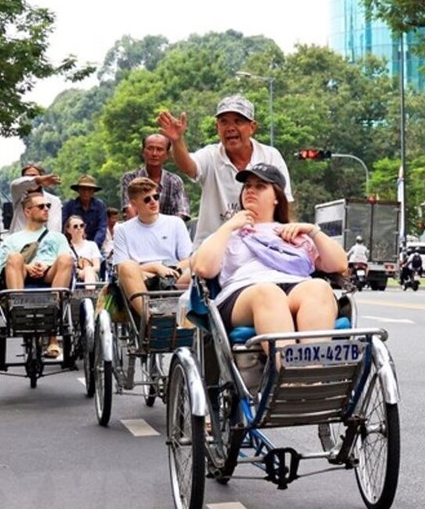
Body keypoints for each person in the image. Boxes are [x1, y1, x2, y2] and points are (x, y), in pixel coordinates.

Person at [191, 163, 347, 354]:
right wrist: (228, 227)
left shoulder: (294, 232)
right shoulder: (229, 233)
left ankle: (310, 373)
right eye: (247, 186)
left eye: (260, 186)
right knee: (269, 293)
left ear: (276, 198)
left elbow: (339, 264)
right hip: (245, 294)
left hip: (294, 286)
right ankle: (287, 378)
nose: (251, 191)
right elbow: (203, 269)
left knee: (319, 287)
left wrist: (313, 231)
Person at [158, 94, 293, 247]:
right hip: (212, 251)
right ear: (217, 127)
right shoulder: (210, 155)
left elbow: (284, 201)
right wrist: (177, 141)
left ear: (252, 127)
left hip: (259, 248)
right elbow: (189, 167)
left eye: (238, 121)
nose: (230, 128)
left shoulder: (270, 156)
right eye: (224, 122)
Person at [0, 192, 74, 358]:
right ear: (27, 211)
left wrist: (46, 265)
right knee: (14, 257)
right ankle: (19, 312)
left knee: (66, 258)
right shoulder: (11, 239)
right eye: (41, 206)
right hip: (21, 272)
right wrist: (27, 266)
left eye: (48, 206)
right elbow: (3, 267)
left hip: (50, 272)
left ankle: (53, 335)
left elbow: (66, 261)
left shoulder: (58, 237)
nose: (46, 209)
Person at [112, 177, 193, 316]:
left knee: (199, 263)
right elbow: (121, 269)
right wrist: (155, 267)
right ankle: (149, 321)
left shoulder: (176, 223)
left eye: (156, 197)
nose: (153, 202)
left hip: (174, 275)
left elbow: (187, 259)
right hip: (141, 279)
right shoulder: (122, 230)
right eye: (147, 199)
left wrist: (170, 270)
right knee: (127, 267)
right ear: (134, 203)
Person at [120, 134, 191, 221]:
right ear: (143, 151)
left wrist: (168, 229)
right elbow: (129, 207)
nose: (154, 153)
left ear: (167, 154)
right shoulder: (130, 178)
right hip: (138, 229)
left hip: (168, 231)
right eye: (150, 148)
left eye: (159, 149)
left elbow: (182, 211)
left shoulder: (175, 181)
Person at [9, 163, 62, 233]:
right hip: (18, 241)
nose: (30, 179)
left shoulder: (53, 201)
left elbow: (54, 227)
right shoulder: (18, 196)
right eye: (27, 177)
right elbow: (15, 184)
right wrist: (37, 180)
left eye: (33, 176)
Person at [62, 175, 108, 248]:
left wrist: (94, 246)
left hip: (94, 244)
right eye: (83, 189)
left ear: (93, 191)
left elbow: (102, 228)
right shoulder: (69, 205)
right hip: (72, 245)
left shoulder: (100, 206)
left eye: (89, 189)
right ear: (78, 190)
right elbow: (64, 226)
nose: (86, 192)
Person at [64, 215, 102, 286]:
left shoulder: (92, 245)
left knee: (88, 270)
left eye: (81, 225)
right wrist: (78, 272)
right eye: (75, 226)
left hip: (92, 274)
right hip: (71, 276)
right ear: (68, 230)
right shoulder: (65, 246)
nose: (79, 228)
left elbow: (97, 267)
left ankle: (89, 294)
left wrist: (85, 271)